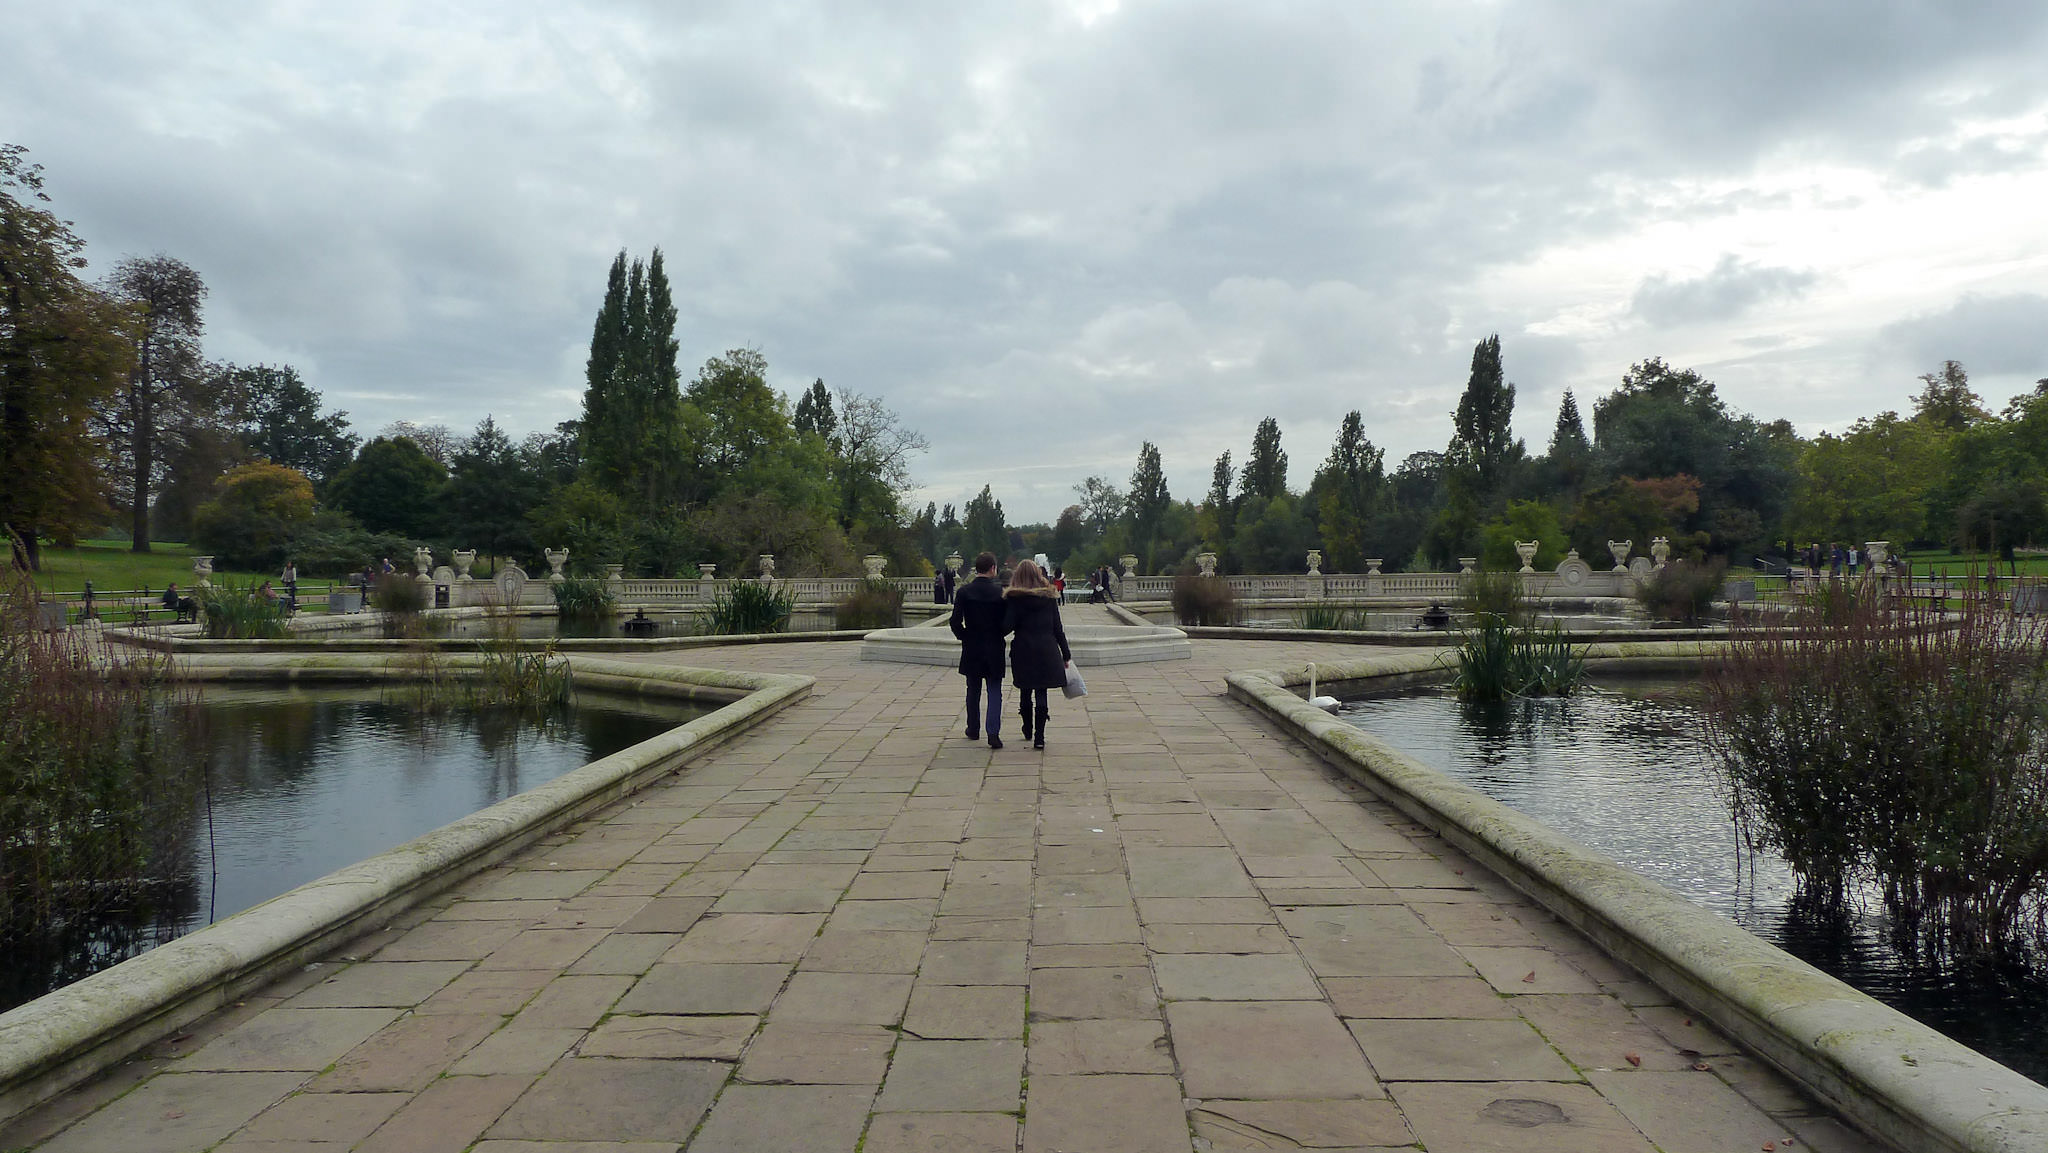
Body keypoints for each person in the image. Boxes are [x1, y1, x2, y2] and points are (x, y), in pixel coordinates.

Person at [1002, 559, 1072, 751]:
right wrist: (1066, 654)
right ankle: (1039, 737)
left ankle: (1027, 726)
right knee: (1042, 691)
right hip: (1046, 648)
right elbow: (1058, 629)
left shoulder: (1014, 599)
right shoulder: (1049, 598)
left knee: (1025, 690)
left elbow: (1006, 627)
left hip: (1023, 649)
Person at [949, 551, 1007, 748]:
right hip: (994, 644)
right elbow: (1008, 622)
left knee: (973, 689)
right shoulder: (1000, 592)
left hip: (973, 645)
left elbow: (955, 621)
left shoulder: (964, 592)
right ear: (992, 568)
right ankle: (993, 733)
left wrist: (965, 636)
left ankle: (973, 728)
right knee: (994, 690)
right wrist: (1000, 633)